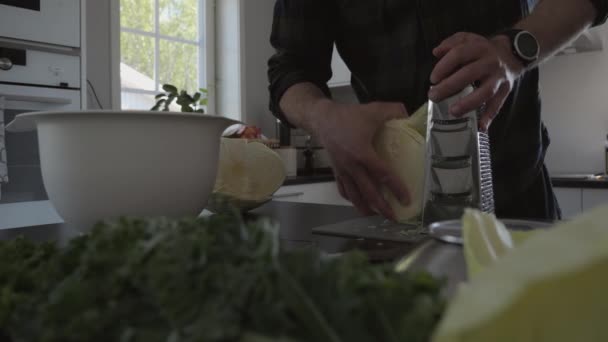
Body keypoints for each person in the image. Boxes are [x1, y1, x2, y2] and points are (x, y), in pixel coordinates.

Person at [267, 0, 607, 222]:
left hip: (519, 199)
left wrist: (513, 49)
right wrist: (323, 118)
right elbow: (289, 69)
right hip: (399, 211)